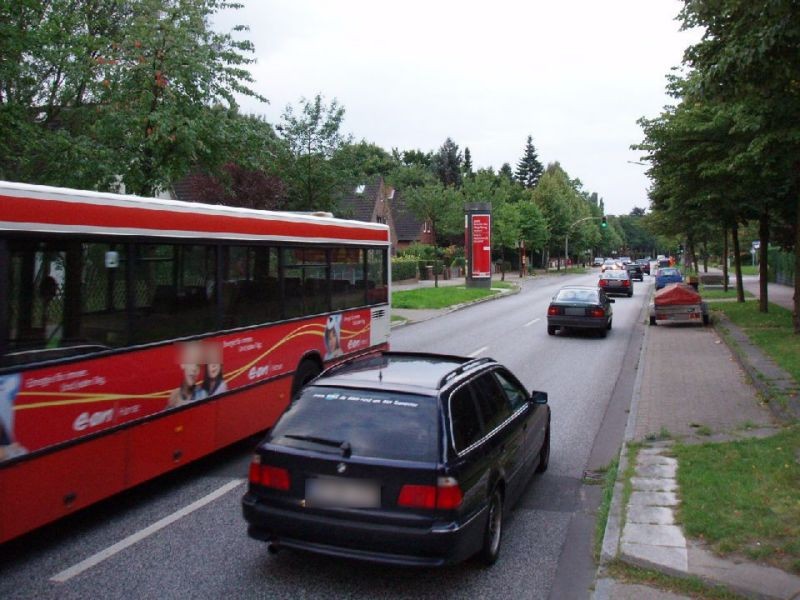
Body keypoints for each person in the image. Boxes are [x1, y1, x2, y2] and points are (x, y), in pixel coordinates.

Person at [168, 343, 207, 407]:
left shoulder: (203, 395)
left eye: (198, 365)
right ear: (182, 364)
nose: (194, 368)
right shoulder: (174, 396)